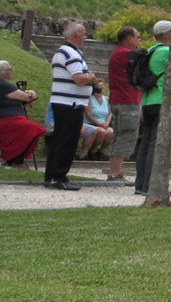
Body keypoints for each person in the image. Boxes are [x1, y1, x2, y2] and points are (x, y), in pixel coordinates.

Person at [134, 20, 171, 196]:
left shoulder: (150, 50)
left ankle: (140, 184)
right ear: (166, 34)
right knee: (156, 143)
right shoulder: (167, 51)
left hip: (147, 101)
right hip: (161, 100)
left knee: (146, 143)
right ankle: (151, 185)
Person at [45, 22, 97, 190]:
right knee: (67, 141)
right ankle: (57, 176)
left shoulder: (67, 52)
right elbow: (79, 78)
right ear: (75, 35)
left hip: (67, 102)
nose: (85, 37)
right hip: (70, 104)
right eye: (83, 34)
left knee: (61, 139)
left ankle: (53, 175)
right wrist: (91, 77)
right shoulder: (70, 52)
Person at [104, 25, 142, 183]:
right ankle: (115, 173)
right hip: (127, 101)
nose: (139, 40)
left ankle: (115, 171)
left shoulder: (117, 53)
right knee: (126, 136)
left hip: (119, 99)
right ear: (129, 38)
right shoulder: (125, 54)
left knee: (119, 135)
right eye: (137, 37)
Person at [80, 83, 114, 159]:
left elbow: (110, 113)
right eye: (100, 86)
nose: (102, 88)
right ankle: (91, 151)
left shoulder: (107, 99)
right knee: (101, 132)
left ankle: (100, 151)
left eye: (102, 86)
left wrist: (107, 122)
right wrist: (98, 123)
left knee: (110, 133)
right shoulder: (89, 99)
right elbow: (88, 113)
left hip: (104, 123)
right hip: (92, 122)